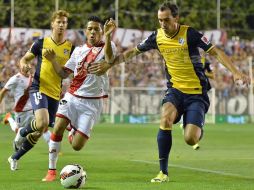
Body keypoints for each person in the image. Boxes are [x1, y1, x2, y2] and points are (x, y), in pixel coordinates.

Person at [88, 2, 250, 182]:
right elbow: (132, 53)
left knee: (191, 138)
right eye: (159, 20)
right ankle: (163, 172)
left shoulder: (190, 34)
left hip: (196, 94)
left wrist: (236, 72)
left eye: (166, 20)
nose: (162, 24)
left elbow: (216, 52)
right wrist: (110, 64)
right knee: (165, 117)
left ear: (176, 18)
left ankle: (196, 129)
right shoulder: (156, 36)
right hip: (175, 90)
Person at [42, 16, 116, 182]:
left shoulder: (107, 47)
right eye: (90, 29)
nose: (92, 32)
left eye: (96, 29)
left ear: (101, 32)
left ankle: (73, 129)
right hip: (72, 97)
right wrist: (53, 60)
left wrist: (109, 36)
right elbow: (63, 74)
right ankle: (51, 171)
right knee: (58, 127)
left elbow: (110, 59)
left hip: (92, 104)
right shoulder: (78, 51)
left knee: (76, 146)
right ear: (85, 31)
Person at [8, 10, 75, 171]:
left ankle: (14, 157)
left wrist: (52, 61)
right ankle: (22, 132)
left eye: (64, 23)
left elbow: (64, 74)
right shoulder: (40, 43)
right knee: (43, 123)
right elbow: (24, 59)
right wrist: (23, 65)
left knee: (39, 131)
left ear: (66, 26)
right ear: (52, 24)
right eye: (58, 22)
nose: (61, 25)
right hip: (39, 87)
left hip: (55, 93)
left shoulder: (70, 48)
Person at [0, 64, 51, 150]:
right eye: (25, 65)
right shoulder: (15, 78)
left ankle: (52, 147)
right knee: (19, 131)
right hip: (21, 110)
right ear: (21, 67)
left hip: (34, 108)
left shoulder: (33, 78)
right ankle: (9, 118)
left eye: (29, 65)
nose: (28, 67)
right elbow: (3, 91)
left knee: (43, 126)